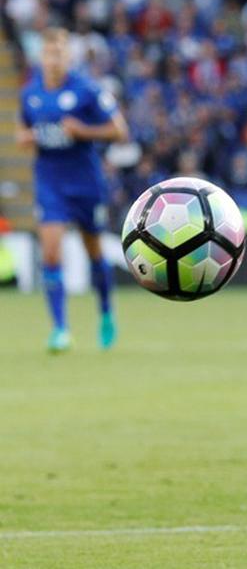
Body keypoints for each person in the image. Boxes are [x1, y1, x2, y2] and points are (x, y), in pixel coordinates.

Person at [16, 27, 129, 352]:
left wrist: (83, 130)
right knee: (51, 252)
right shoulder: (30, 93)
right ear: (41, 56)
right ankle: (60, 329)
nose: (54, 58)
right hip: (49, 181)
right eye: (49, 52)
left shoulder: (87, 90)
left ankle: (106, 311)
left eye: (60, 53)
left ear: (69, 56)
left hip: (85, 182)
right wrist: (26, 137)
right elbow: (21, 130)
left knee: (93, 250)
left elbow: (119, 131)